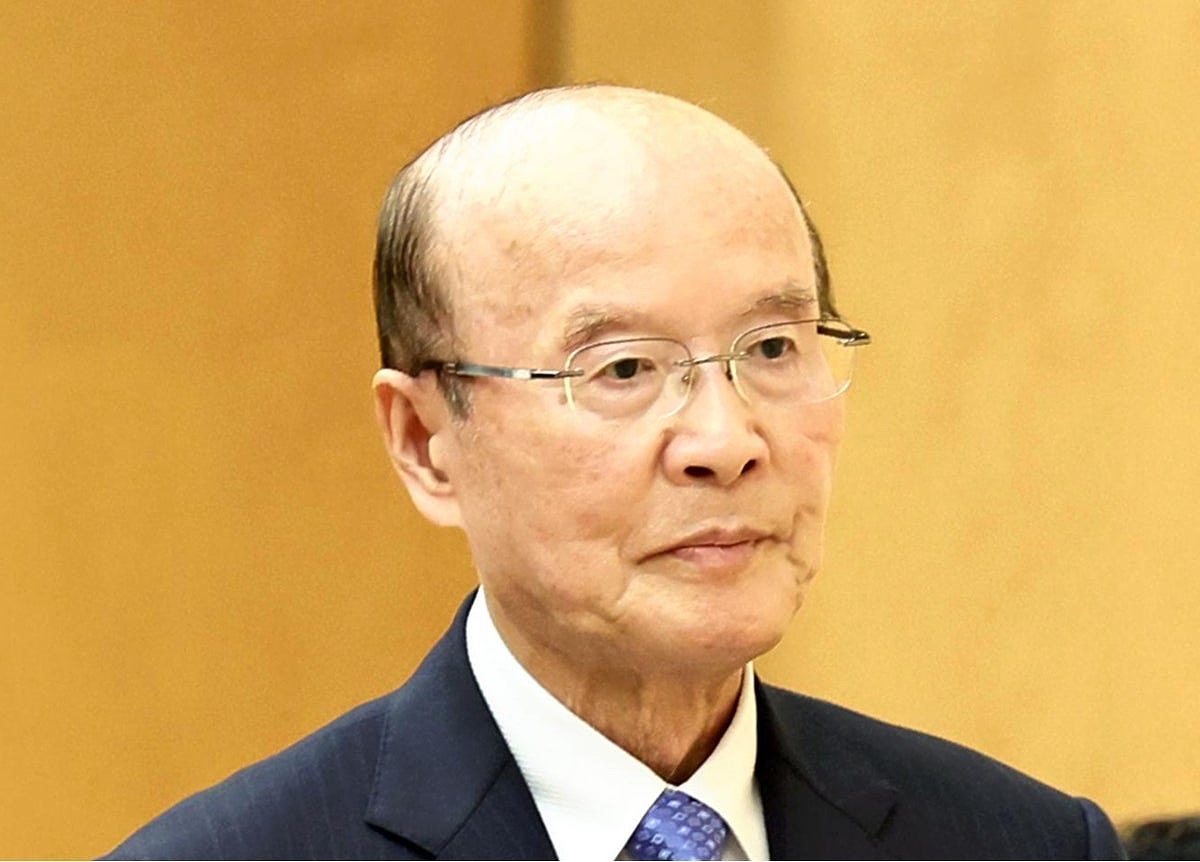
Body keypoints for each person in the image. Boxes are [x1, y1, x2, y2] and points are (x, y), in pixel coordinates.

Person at [106, 84, 1125, 860]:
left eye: (774, 347)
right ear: (424, 442)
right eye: (624, 368)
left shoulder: (1025, 843)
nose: (725, 440)